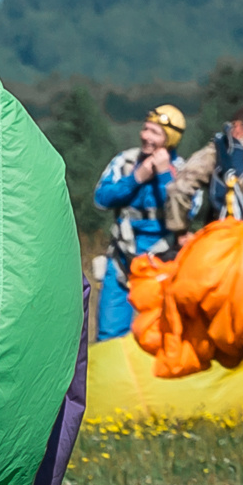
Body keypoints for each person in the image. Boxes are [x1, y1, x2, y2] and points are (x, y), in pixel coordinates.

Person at [90, 103, 190, 341]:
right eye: (145, 129)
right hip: (122, 260)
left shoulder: (184, 171)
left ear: (170, 139)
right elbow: (101, 199)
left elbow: (186, 212)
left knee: (163, 335)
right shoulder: (125, 162)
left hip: (163, 262)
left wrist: (165, 174)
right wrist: (136, 178)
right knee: (109, 334)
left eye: (155, 132)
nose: (146, 136)